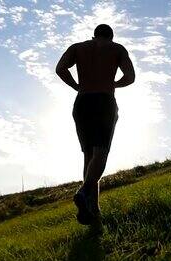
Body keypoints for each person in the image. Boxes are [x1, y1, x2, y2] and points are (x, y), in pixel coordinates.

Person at [56, 24, 135, 225]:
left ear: (94, 35)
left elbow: (60, 68)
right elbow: (130, 77)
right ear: (111, 36)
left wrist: (76, 86)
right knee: (101, 152)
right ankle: (84, 191)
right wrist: (112, 83)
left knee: (89, 156)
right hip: (104, 100)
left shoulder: (77, 47)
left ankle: (93, 211)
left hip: (82, 102)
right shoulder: (116, 48)